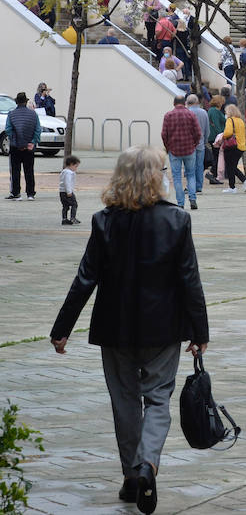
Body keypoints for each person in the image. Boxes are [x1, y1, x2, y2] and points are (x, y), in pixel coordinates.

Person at [49, 145, 210, 513]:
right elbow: (190, 280)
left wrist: (62, 328)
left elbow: (85, 278)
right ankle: (147, 464)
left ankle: (130, 476)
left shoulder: (104, 220)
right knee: (157, 398)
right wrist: (199, 331)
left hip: (115, 327)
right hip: (163, 327)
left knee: (124, 402)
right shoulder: (177, 220)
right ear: (157, 176)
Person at [160, 95, 201, 211]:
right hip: (189, 149)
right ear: (185, 103)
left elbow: (164, 134)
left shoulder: (168, 116)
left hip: (174, 150)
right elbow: (198, 132)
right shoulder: (191, 115)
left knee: (177, 177)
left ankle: (180, 203)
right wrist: (195, 144)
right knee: (191, 175)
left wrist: (167, 147)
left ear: (174, 103)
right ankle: (193, 199)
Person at [5, 91, 40, 200]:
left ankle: (16, 193)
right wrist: (32, 142)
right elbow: (38, 130)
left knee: (15, 170)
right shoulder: (33, 114)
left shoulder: (11, 114)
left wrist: (15, 140)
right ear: (26, 102)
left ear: (16, 102)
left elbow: (8, 130)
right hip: (29, 147)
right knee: (29, 170)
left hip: (15, 147)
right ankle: (30, 194)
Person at [218, 105, 246, 194]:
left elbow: (228, 132)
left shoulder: (230, 120)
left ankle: (236, 184)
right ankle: (241, 182)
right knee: (233, 166)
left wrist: (222, 136)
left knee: (230, 166)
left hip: (231, 146)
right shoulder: (240, 121)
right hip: (241, 146)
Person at [184, 95, 210, 204]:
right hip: (200, 143)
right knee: (200, 165)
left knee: (190, 167)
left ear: (187, 102)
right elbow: (207, 129)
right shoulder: (204, 112)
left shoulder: (186, 113)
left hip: (189, 144)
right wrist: (204, 140)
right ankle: (199, 186)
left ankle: (191, 186)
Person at [206, 96, 226, 185]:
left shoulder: (211, 110)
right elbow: (217, 125)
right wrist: (221, 137)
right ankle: (211, 174)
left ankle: (213, 176)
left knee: (216, 156)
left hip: (213, 136)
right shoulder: (215, 111)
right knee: (217, 157)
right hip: (216, 137)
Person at [59, 155, 81, 225]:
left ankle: (64, 218)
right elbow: (67, 182)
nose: (76, 168)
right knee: (74, 204)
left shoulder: (64, 171)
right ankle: (72, 218)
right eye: (76, 166)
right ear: (71, 164)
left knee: (65, 206)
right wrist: (69, 191)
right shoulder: (68, 173)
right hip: (67, 192)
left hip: (62, 192)